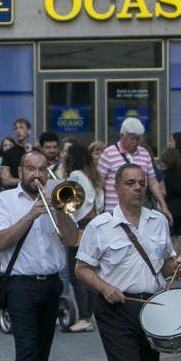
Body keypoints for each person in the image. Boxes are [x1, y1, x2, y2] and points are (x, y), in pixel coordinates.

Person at [75, 163, 181, 361]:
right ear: (117, 188)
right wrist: (104, 287)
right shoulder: (100, 225)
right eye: (130, 183)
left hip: (152, 307)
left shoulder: (158, 222)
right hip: (116, 308)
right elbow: (82, 269)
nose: (137, 188)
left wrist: (175, 268)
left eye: (141, 183)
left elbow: (164, 265)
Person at [0, 149, 79, 361]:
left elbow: (72, 239)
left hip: (51, 285)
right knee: (26, 349)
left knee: (41, 352)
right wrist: (31, 215)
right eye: (31, 169)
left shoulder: (56, 199)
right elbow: (0, 242)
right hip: (21, 286)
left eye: (42, 169)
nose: (37, 175)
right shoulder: (4, 201)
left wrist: (59, 210)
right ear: (20, 171)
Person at [63, 140, 105, 333]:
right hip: (95, 225)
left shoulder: (75, 175)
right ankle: (89, 315)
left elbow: (69, 203)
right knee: (90, 271)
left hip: (80, 226)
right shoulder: (93, 175)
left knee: (76, 273)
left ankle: (84, 317)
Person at [97, 118, 171, 221]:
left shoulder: (144, 153)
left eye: (138, 139)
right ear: (122, 136)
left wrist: (163, 205)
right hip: (114, 212)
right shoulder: (108, 153)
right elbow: (99, 182)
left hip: (139, 213)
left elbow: (152, 182)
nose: (135, 142)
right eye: (132, 138)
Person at [160, 147, 181, 258]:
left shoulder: (163, 174)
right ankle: (177, 257)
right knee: (178, 234)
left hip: (168, 205)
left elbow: (163, 192)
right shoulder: (180, 174)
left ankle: (170, 257)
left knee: (169, 234)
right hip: (179, 205)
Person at [0, 118, 33, 189]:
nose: (18, 131)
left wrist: (29, 153)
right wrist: (26, 181)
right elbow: (5, 180)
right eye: (15, 128)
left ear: (29, 131)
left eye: (21, 127)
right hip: (14, 193)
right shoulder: (9, 153)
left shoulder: (36, 152)